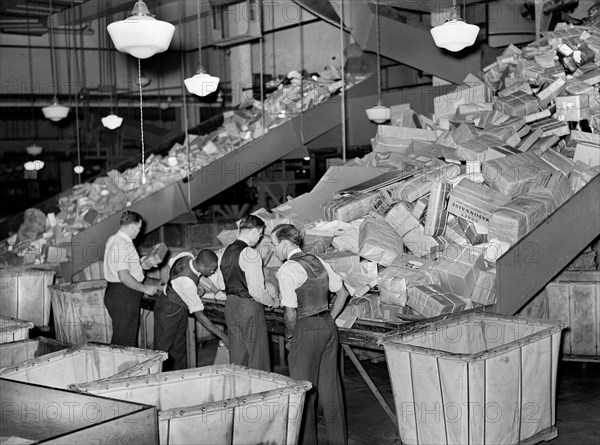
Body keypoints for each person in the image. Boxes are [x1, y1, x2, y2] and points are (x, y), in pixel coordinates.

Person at [271, 223, 349, 445]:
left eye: (274, 244)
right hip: (326, 326)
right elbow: (342, 293)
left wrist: (290, 338)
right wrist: (328, 320)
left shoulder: (286, 270)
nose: (273, 249)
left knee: (302, 392)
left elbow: (290, 314)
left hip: (304, 330)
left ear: (285, 244)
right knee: (331, 390)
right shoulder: (319, 261)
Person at [219, 215, 278, 371]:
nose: (258, 239)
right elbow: (257, 291)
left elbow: (220, 283)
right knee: (258, 357)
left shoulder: (225, 251)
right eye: (259, 235)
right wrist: (271, 301)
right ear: (253, 231)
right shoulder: (250, 253)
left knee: (238, 357)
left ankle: (240, 391)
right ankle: (260, 392)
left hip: (230, 305)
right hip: (248, 307)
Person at [154, 249, 229, 371]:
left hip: (179, 308)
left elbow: (172, 265)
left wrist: (197, 286)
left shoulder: (186, 256)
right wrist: (223, 336)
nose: (213, 272)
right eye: (211, 269)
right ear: (202, 265)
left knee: (178, 348)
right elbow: (200, 316)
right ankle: (156, 379)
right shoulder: (187, 281)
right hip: (168, 310)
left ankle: (179, 378)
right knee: (161, 351)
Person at [103, 211, 161, 347]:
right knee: (125, 343)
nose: (139, 232)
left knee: (122, 338)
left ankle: (121, 366)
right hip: (124, 294)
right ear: (132, 226)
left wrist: (144, 264)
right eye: (139, 228)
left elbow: (125, 269)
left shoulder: (114, 239)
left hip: (119, 292)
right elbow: (123, 276)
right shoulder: (122, 244)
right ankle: (122, 367)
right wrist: (145, 288)